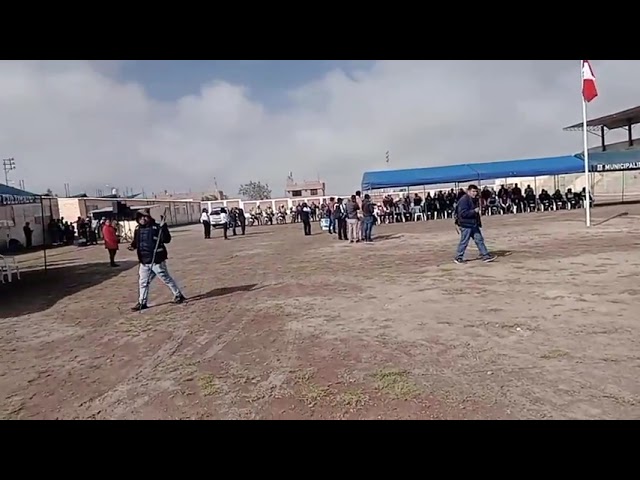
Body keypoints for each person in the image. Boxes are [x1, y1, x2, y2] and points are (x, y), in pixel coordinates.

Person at [128, 210, 185, 311]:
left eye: (145, 217)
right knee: (143, 282)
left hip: (156, 260)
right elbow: (136, 241)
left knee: (166, 278)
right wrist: (133, 246)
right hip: (144, 261)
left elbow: (166, 239)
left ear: (149, 217)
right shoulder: (138, 229)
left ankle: (178, 295)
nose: (143, 219)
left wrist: (164, 227)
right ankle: (142, 302)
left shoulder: (156, 227)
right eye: (140, 217)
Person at [454, 185, 496, 264]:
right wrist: (474, 211)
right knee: (464, 241)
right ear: (468, 191)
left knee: (479, 239)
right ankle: (458, 257)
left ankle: (485, 255)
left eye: (476, 191)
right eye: (473, 191)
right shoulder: (464, 200)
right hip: (465, 224)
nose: (475, 193)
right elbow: (462, 214)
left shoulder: (474, 199)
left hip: (473, 224)